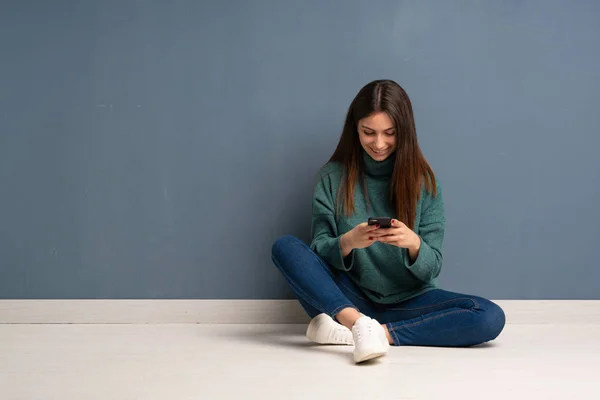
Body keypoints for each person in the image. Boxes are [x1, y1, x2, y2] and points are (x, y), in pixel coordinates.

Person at [271, 79, 505, 363]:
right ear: (355, 129)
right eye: (369, 132)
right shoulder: (331, 178)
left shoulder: (425, 183)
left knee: (490, 316)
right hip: (346, 299)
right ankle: (357, 324)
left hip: (409, 302)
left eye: (389, 133)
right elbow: (317, 252)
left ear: (403, 132)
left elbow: (433, 267)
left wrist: (414, 244)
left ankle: (374, 332)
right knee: (285, 247)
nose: (379, 144)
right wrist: (347, 242)